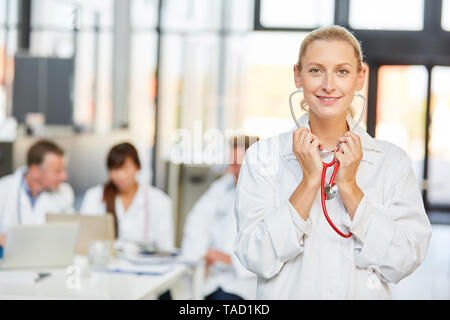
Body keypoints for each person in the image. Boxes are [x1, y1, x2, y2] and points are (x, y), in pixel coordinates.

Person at [234, 25, 432, 299]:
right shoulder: (262, 157)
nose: (329, 84)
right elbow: (256, 257)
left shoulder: (391, 162)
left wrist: (350, 187)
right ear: (298, 76)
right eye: (316, 70)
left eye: (342, 71)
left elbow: (405, 259)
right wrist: (309, 182)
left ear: (360, 77)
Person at [182, 136, 258, 300]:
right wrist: (201, 257)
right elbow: (197, 221)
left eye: (236, 166)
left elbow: (268, 252)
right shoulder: (224, 186)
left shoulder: (270, 196)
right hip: (214, 278)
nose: (230, 171)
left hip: (245, 284)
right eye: (230, 164)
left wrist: (228, 259)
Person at [80, 142, 174, 252]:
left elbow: (165, 249)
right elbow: (84, 240)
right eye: (114, 169)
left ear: (137, 167)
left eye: (125, 168)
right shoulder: (94, 196)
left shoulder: (159, 201)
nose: (119, 176)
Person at [0, 140, 74, 246]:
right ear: (35, 171)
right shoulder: (3, 189)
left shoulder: (65, 192)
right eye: (57, 171)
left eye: (64, 170)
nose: (64, 176)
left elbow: (70, 233)